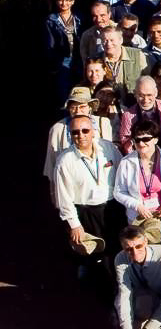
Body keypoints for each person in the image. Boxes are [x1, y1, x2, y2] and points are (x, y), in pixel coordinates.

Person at [54, 114, 124, 268]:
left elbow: (123, 173)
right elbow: (63, 198)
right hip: (87, 213)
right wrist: (74, 225)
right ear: (70, 135)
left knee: (118, 251)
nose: (81, 135)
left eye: (85, 130)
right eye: (75, 132)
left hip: (113, 209)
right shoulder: (65, 161)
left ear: (93, 131)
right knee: (96, 255)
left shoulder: (109, 149)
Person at [113, 119, 161, 228]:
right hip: (138, 219)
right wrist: (137, 206)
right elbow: (118, 192)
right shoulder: (126, 162)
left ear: (156, 140)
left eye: (146, 139)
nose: (141, 143)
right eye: (137, 140)